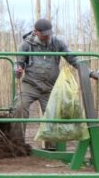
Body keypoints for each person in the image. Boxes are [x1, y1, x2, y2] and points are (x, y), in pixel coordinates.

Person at [12, 18, 81, 147]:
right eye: (44, 34)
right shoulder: (26, 45)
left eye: (49, 33)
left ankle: (53, 147)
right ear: (36, 32)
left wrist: (88, 71)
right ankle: (17, 144)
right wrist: (18, 70)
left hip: (50, 87)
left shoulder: (57, 43)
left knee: (53, 114)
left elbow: (72, 58)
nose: (47, 36)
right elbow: (18, 63)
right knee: (20, 107)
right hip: (30, 84)